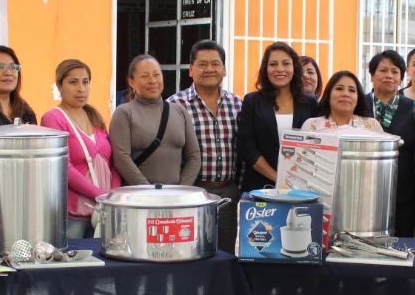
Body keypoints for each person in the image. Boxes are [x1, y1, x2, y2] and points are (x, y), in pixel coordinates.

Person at [169, 40, 243, 252]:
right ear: (191, 69)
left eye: (215, 64)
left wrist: (237, 186)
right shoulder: (175, 104)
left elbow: (243, 149)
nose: (209, 69)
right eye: (202, 64)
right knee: (189, 250)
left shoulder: (238, 104)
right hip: (192, 190)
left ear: (224, 69)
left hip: (227, 191)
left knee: (225, 252)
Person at [41, 59, 121, 239]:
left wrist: (114, 196)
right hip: (75, 213)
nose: (81, 88)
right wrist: (100, 195)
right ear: (59, 86)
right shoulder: (53, 118)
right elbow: (63, 167)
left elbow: (112, 162)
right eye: (73, 82)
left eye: (85, 82)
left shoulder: (95, 116)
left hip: (104, 211)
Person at [236, 42, 318, 192]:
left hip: (301, 188)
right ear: (265, 69)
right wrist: (278, 178)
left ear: (294, 68)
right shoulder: (252, 101)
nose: (280, 69)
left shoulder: (310, 103)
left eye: (286, 63)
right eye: (273, 64)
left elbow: (318, 145)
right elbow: (246, 148)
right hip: (260, 189)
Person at [110, 54, 200, 186]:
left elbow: (194, 156)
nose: (152, 81)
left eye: (156, 75)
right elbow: (121, 158)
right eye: (144, 76)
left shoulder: (180, 111)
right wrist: (149, 192)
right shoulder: (124, 113)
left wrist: (181, 190)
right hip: (138, 199)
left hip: (176, 199)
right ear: (131, 82)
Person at [366, 50, 415, 236]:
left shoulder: (413, 108)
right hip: (363, 188)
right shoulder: (359, 104)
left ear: (401, 78)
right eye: (383, 70)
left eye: (395, 71)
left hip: (402, 192)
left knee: (401, 242)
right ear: (372, 75)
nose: (389, 75)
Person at [303, 71, 382, 132]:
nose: (346, 94)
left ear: (358, 98)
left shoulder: (372, 126)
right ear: (328, 95)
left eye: (352, 90)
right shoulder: (311, 126)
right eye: (339, 88)